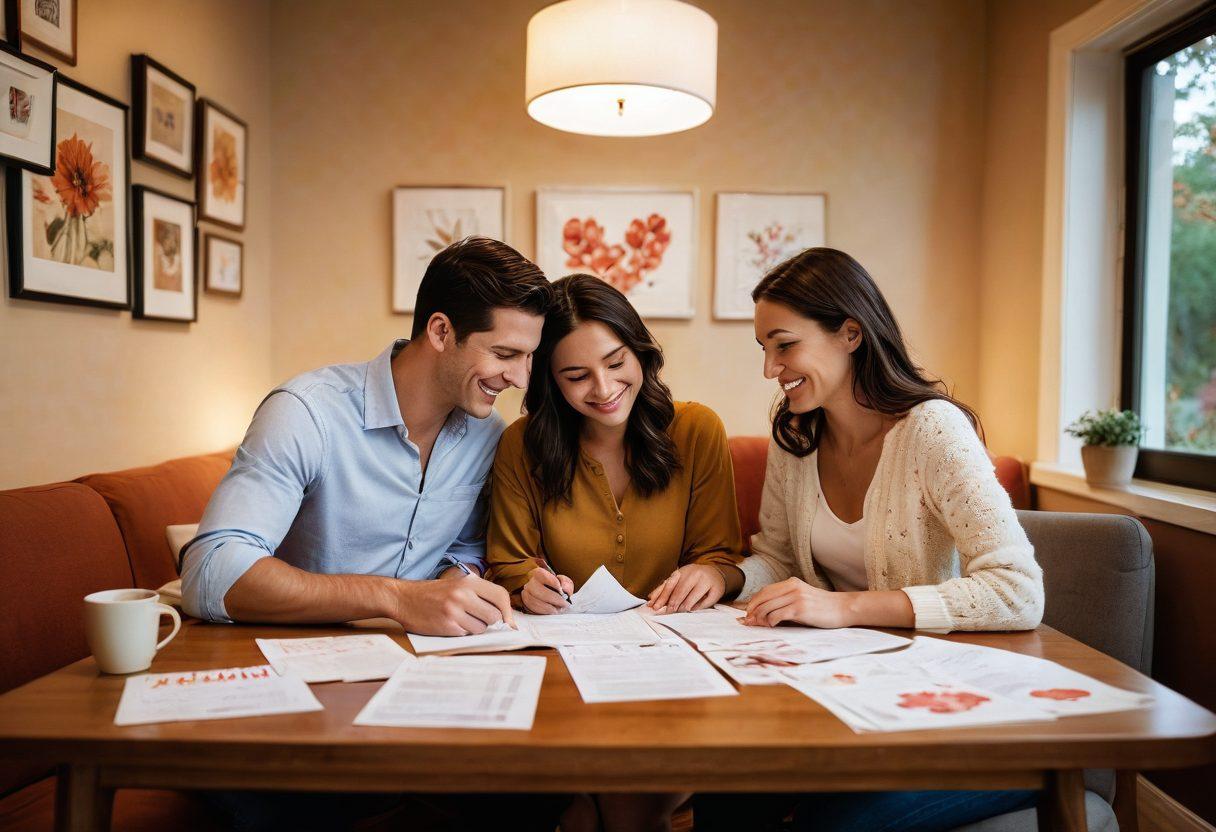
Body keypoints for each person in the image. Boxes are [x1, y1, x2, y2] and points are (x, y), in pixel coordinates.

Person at [180, 236, 566, 831]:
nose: (519, 378)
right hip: (294, 689)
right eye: (505, 354)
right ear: (440, 331)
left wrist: (456, 582)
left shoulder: (487, 437)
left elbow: (464, 547)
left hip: (424, 689)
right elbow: (211, 571)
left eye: (527, 358)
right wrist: (393, 596)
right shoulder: (305, 412)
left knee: (535, 792)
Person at [695, 247, 1045, 832]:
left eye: (784, 345)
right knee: (728, 792)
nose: (770, 369)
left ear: (850, 333)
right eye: (764, 349)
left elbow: (1017, 591)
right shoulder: (796, 437)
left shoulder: (933, 430)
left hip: (959, 712)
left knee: (830, 822)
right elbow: (778, 560)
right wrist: (724, 576)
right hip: (856, 695)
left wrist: (845, 608)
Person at [485, 273, 744, 832]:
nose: (602, 388)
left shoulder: (696, 430)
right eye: (576, 375)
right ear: (550, 381)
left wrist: (713, 576)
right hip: (564, 669)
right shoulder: (521, 445)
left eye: (616, 362)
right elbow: (506, 563)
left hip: (675, 667)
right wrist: (526, 583)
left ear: (642, 353)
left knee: (625, 803)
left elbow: (723, 554)